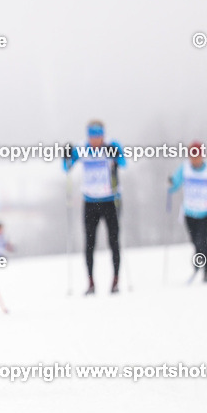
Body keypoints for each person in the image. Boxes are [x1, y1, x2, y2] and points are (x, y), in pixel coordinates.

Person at [62, 120, 126, 294]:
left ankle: (115, 280)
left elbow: (123, 163)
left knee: (113, 241)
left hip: (110, 201)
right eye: (92, 136)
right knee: (89, 243)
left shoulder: (111, 145)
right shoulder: (82, 148)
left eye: (98, 136)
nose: (95, 140)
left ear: (103, 136)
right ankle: (90, 282)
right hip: (90, 202)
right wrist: (66, 155)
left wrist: (116, 155)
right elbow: (67, 167)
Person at [167, 141, 207, 283]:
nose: (194, 159)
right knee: (195, 241)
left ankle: (205, 270)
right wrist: (170, 183)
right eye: (192, 156)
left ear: (202, 156)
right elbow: (175, 184)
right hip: (189, 213)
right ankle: (198, 261)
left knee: (202, 240)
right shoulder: (185, 168)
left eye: (197, 156)